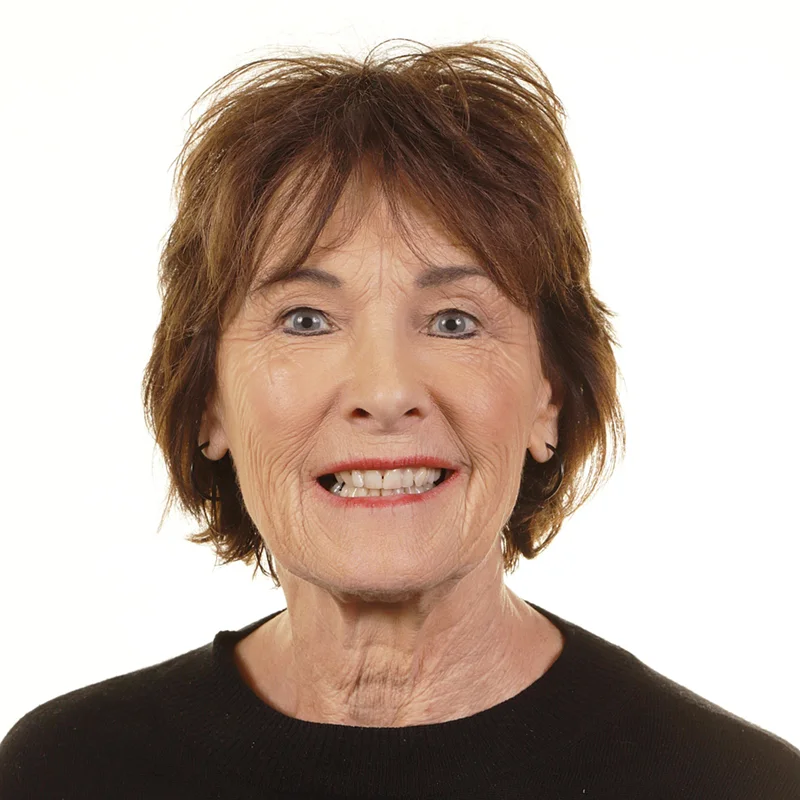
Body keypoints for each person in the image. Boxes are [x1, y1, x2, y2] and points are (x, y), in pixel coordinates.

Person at [1, 37, 798, 800]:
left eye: (454, 321)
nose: (385, 392)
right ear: (208, 400)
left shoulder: (738, 785)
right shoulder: (62, 774)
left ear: (549, 396)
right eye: (306, 320)